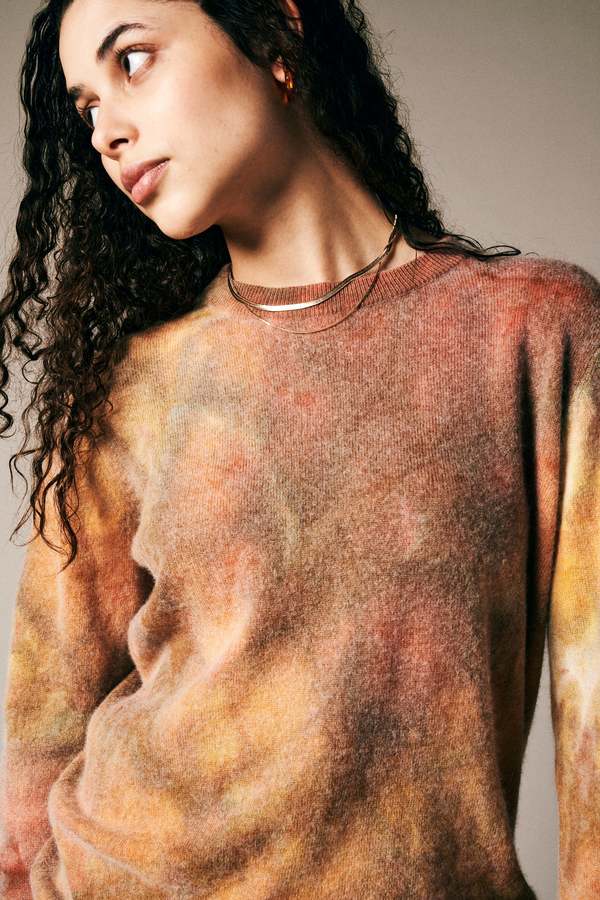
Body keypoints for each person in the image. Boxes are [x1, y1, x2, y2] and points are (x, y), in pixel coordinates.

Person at [0, 0, 598, 897]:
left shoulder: (535, 330)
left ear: (275, 36)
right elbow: (35, 755)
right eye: (86, 107)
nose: (106, 132)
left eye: (133, 61)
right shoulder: (130, 387)